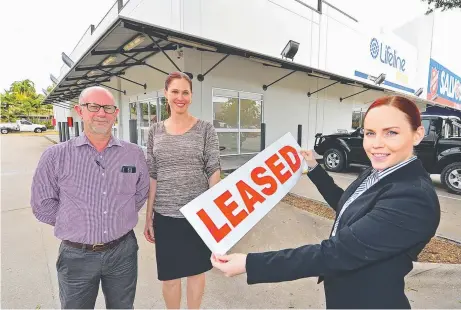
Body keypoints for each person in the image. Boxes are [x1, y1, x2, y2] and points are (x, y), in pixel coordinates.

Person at [211, 95, 441, 309]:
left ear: (417, 134)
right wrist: (314, 168)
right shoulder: (378, 172)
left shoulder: (413, 198)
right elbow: (346, 205)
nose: (376, 144)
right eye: (370, 133)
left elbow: (335, 253)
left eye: (391, 132)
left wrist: (249, 264)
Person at [31, 86, 150, 309]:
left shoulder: (133, 154)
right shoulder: (56, 156)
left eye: (108, 108)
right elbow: (42, 203)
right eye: (93, 106)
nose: (101, 113)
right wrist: (75, 221)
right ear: (80, 111)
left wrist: (118, 217)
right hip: (76, 256)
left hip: (122, 253)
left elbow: (140, 192)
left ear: (116, 113)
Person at [144, 71, 221, 309]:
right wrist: (149, 217)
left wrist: (215, 216)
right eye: (175, 91)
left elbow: (213, 171)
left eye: (185, 92)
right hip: (165, 217)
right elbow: (152, 176)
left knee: (197, 274)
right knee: (169, 278)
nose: (180, 97)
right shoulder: (154, 131)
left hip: (198, 217)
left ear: (191, 95)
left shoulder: (206, 129)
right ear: (166, 94)